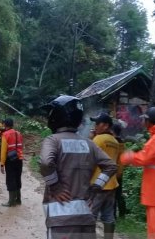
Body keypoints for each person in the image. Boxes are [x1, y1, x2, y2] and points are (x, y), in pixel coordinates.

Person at [39, 95, 117, 239]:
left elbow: (45, 162)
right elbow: (111, 166)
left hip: (60, 218)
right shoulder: (89, 144)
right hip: (85, 217)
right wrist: (96, 188)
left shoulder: (53, 141)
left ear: (56, 116)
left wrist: (55, 186)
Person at [121, 106, 155, 238]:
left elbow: (143, 158)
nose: (143, 123)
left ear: (149, 121)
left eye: (144, 120)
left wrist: (128, 156)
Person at [89, 112, 120, 239]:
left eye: (98, 123)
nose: (95, 125)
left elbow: (89, 159)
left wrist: (91, 138)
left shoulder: (98, 139)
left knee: (90, 216)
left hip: (98, 184)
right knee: (108, 216)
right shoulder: (115, 141)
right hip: (111, 183)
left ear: (106, 125)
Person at [0, 118, 24, 207]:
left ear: (5, 125)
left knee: (10, 179)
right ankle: (18, 200)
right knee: (17, 178)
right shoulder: (19, 134)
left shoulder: (5, 135)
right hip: (19, 159)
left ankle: (11, 202)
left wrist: (2, 164)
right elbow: (21, 147)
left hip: (10, 160)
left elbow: (3, 151)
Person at [111, 123, 127, 219]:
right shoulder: (122, 142)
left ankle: (113, 215)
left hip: (113, 172)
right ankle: (122, 213)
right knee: (119, 194)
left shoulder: (114, 142)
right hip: (120, 171)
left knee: (112, 195)